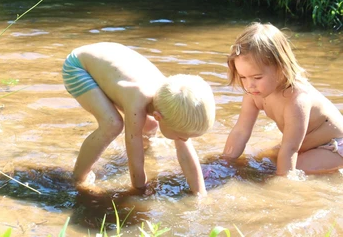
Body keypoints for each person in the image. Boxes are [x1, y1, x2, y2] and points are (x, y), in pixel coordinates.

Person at [62, 42, 215, 195]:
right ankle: (79, 177)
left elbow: (186, 156)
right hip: (78, 68)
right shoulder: (138, 101)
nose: (185, 139)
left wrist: (200, 193)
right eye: (182, 136)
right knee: (112, 124)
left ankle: (147, 149)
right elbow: (133, 152)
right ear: (158, 115)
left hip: (108, 61)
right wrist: (140, 189)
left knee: (149, 126)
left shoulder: (172, 100)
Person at [223, 22, 343, 174]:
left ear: (281, 68)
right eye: (243, 77)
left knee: (293, 168)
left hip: (334, 146)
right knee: (262, 159)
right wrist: (225, 162)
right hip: (302, 145)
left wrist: (281, 185)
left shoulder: (297, 99)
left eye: (257, 77)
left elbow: (290, 149)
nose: (249, 85)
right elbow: (240, 131)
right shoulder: (253, 94)